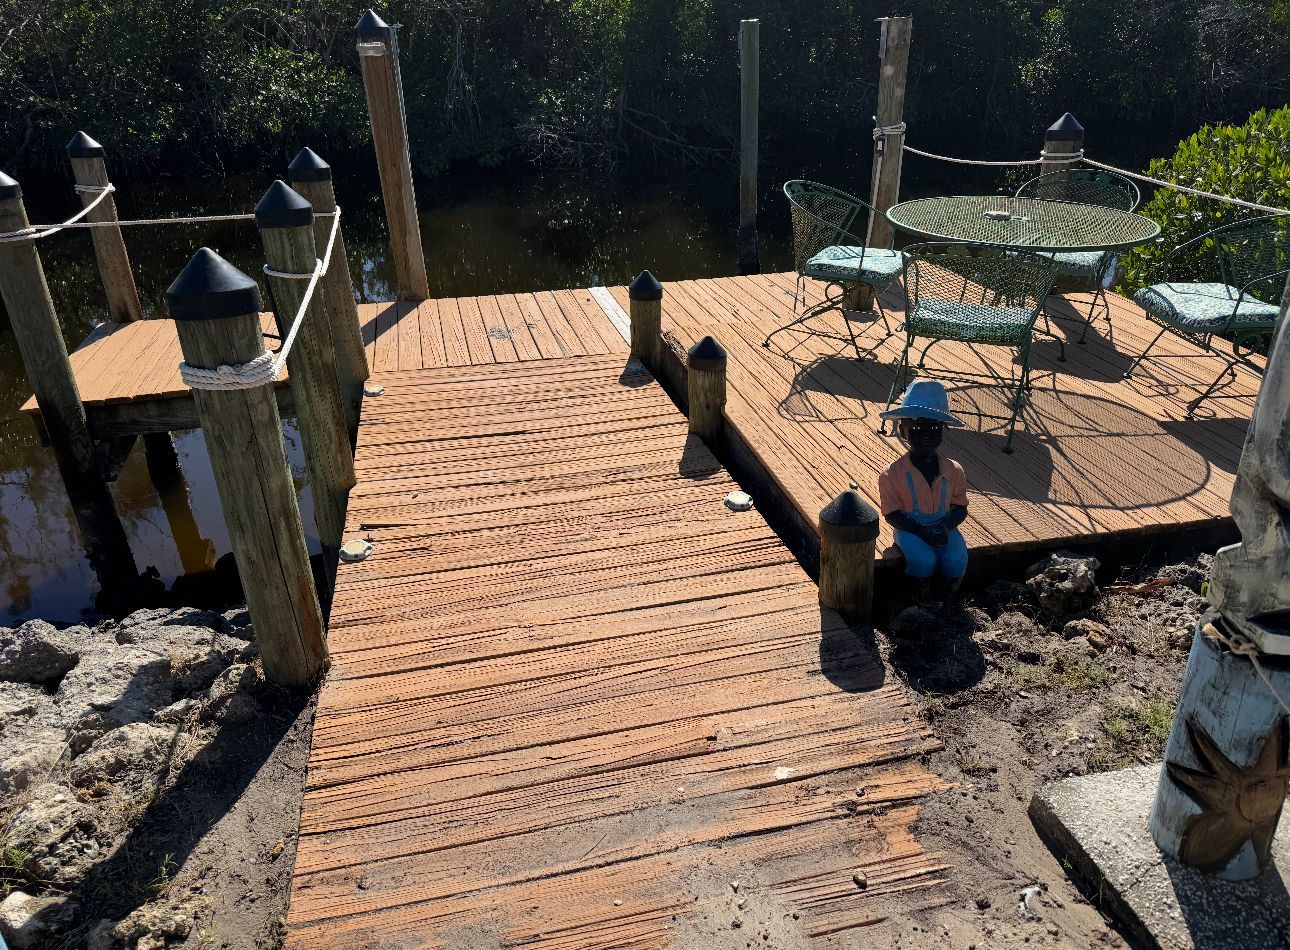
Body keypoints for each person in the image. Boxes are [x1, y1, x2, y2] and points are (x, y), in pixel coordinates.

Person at [878, 380, 970, 605]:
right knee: (922, 560)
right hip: (910, 528)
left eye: (934, 428)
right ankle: (919, 600)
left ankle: (944, 601)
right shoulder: (892, 474)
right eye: (918, 429)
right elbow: (892, 514)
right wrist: (921, 530)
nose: (927, 435)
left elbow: (960, 507)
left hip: (943, 524)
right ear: (902, 429)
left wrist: (945, 526)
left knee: (956, 560)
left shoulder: (953, 470)